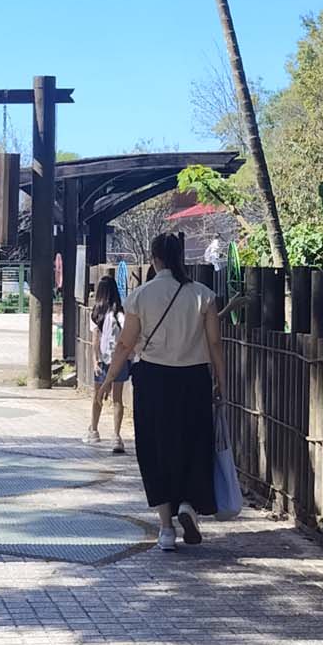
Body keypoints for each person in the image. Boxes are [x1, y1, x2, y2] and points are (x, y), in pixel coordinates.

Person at [103, 232, 222, 552]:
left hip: (153, 379)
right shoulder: (203, 295)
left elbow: (125, 344)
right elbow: (214, 343)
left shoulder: (140, 296)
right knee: (193, 443)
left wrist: (108, 378)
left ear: (155, 259)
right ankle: (188, 504)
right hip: (194, 379)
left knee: (155, 448)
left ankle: (166, 528)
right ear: (179, 258)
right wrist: (221, 381)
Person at [86, 269, 128, 452]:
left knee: (98, 396)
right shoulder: (120, 313)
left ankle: (93, 430)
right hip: (120, 360)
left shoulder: (97, 314)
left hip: (103, 360)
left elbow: (94, 340)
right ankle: (116, 436)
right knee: (117, 399)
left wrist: (95, 361)